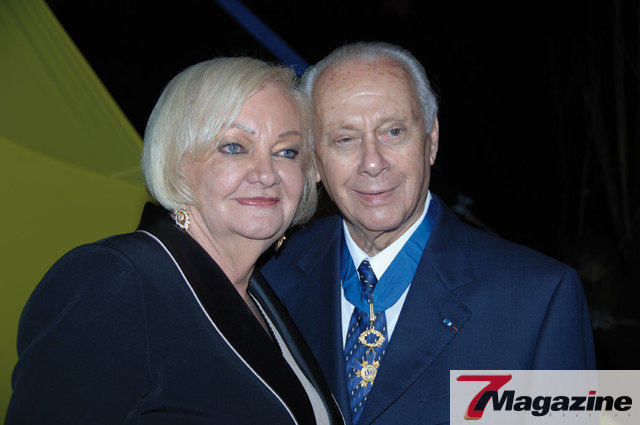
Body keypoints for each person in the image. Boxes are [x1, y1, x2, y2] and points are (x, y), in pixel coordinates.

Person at [261, 41, 596, 425]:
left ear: (431, 140)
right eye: (345, 139)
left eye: (393, 131)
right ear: (315, 160)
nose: (372, 162)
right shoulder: (268, 279)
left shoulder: (541, 297)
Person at [7, 57, 344, 424]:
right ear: (176, 159)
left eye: (286, 152)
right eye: (234, 147)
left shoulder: (263, 295)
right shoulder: (116, 281)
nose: (266, 174)